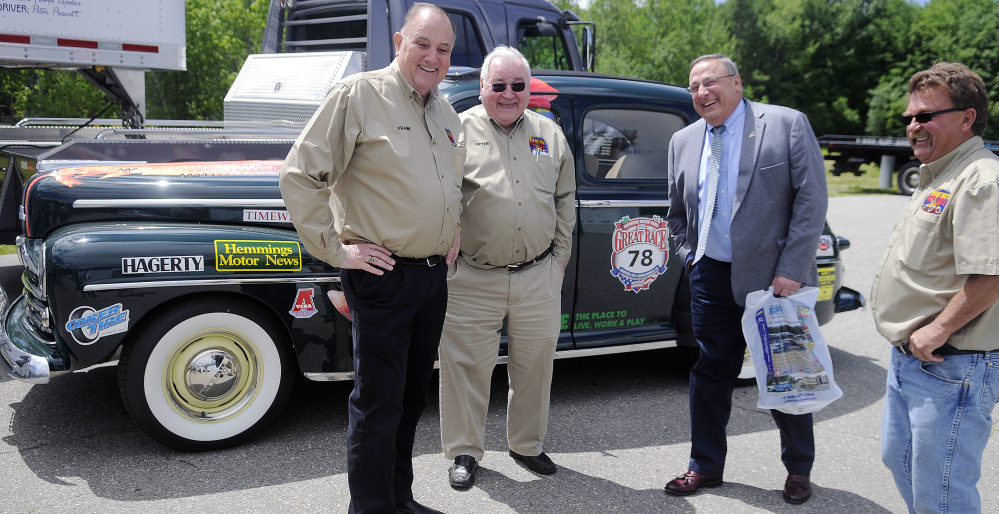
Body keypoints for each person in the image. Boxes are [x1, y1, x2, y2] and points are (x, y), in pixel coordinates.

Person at [278, 4, 463, 514]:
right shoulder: (358, 95)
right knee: (378, 405)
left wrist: (454, 228)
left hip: (431, 279)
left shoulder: (444, 112)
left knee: (409, 401)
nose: (432, 56)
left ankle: (398, 499)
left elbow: (451, 184)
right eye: (423, 44)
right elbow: (299, 175)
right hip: (382, 275)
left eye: (443, 49)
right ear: (400, 40)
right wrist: (337, 249)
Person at [664, 54, 827, 504]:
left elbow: (811, 201)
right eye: (693, 86)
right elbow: (676, 214)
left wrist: (793, 267)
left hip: (777, 280)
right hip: (710, 276)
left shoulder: (785, 124)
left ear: (737, 83)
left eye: (710, 81)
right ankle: (705, 465)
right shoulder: (683, 140)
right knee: (711, 372)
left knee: (786, 374)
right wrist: (691, 258)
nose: (701, 92)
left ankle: (798, 470)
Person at [438, 45, 575, 489]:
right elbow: (440, 195)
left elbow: (565, 199)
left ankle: (527, 445)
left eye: (519, 85)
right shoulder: (457, 131)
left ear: (529, 88)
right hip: (472, 277)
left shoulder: (549, 133)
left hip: (538, 275)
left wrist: (558, 260)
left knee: (535, 365)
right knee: (464, 368)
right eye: (499, 85)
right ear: (482, 88)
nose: (509, 93)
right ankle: (463, 450)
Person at [873, 62, 999, 514]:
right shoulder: (940, 174)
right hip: (916, 358)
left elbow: (991, 275)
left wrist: (935, 330)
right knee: (902, 461)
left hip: (951, 363)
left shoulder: (981, 179)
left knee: (942, 490)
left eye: (926, 116)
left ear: (967, 117)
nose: (913, 126)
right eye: (910, 117)